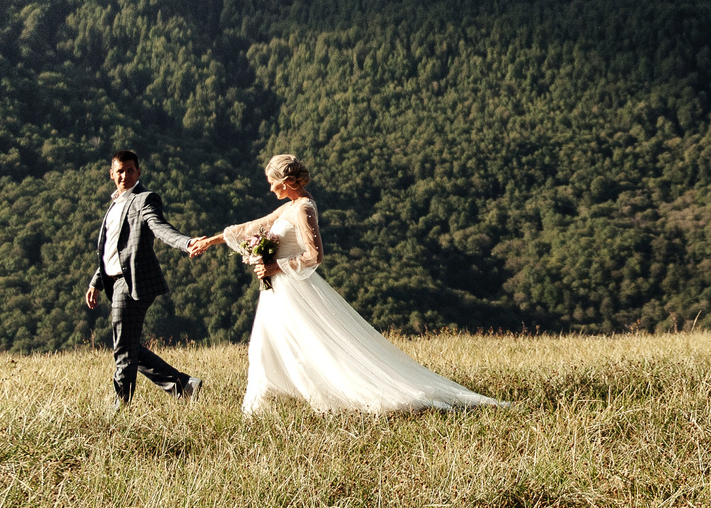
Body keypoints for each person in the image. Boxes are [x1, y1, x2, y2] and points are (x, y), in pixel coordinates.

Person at [190, 153, 502, 416]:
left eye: (272, 182)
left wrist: (276, 264)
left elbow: (314, 255)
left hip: (291, 289)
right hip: (277, 292)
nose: (270, 188)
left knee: (312, 347)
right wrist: (213, 240)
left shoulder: (303, 209)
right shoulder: (288, 206)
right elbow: (255, 226)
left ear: (285, 183)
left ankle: (300, 402)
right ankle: (261, 407)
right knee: (263, 347)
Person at [85, 148, 211, 410]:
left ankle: (121, 406)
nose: (125, 176)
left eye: (130, 170)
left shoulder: (145, 199)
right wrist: (96, 282)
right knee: (127, 346)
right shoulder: (115, 203)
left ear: (138, 172)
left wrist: (187, 243)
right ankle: (184, 386)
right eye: (120, 171)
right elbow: (111, 248)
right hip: (114, 279)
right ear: (111, 174)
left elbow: (160, 228)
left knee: (123, 349)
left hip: (132, 283)